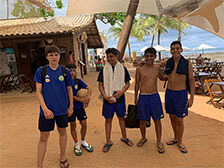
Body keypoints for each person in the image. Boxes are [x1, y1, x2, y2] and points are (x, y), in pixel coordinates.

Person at [34, 45, 73, 168]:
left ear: (59, 56)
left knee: (63, 133)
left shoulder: (65, 71)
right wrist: (45, 109)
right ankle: (39, 165)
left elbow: (69, 89)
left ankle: (62, 157)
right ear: (47, 57)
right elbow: (38, 91)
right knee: (43, 138)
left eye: (56, 54)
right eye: (51, 55)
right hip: (46, 112)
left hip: (62, 110)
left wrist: (70, 106)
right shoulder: (41, 71)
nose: (54, 57)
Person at [97, 48, 133, 153]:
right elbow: (100, 85)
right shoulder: (104, 70)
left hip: (120, 99)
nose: (109, 59)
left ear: (117, 56)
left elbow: (127, 83)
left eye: (111, 56)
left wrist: (121, 92)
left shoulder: (123, 69)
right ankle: (108, 141)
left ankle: (124, 137)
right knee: (108, 120)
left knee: (121, 118)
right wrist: (105, 96)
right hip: (107, 99)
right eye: (107, 57)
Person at [163, 41, 195, 154]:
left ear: (181, 49)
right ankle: (175, 137)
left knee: (179, 119)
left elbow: (191, 80)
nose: (175, 50)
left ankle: (180, 141)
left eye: (177, 48)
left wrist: (191, 98)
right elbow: (155, 64)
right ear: (170, 51)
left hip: (181, 94)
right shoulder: (168, 62)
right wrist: (144, 63)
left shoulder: (187, 63)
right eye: (173, 48)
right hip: (169, 93)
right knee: (172, 117)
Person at [134, 47, 167, 153]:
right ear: (144, 56)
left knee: (157, 120)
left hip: (154, 96)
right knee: (142, 121)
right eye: (147, 56)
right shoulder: (139, 68)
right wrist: (135, 97)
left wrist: (172, 75)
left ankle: (159, 142)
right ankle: (143, 137)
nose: (149, 58)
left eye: (151, 56)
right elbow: (136, 83)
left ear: (155, 57)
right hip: (143, 96)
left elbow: (162, 77)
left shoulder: (157, 67)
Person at [65, 63, 94, 156]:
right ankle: (76, 143)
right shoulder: (64, 83)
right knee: (73, 125)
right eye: (70, 71)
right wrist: (82, 99)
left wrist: (88, 98)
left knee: (84, 124)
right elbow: (70, 96)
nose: (72, 72)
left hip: (79, 107)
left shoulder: (78, 81)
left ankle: (83, 141)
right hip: (70, 108)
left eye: (74, 70)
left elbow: (89, 88)